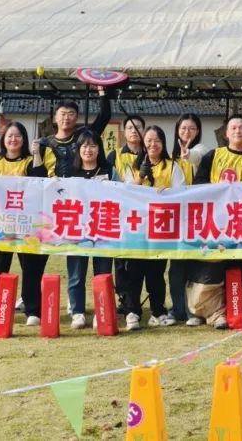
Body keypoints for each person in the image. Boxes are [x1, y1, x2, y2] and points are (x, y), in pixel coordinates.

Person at [188, 115, 242, 328]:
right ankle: (215, 313)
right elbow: (199, 186)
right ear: (226, 133)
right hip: (217, 224)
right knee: (211, 268)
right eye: (233, 127)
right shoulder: (212, 156)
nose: (237, 131)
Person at [0, 122, 48, 327]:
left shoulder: (29, 160)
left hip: (27, 224)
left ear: (24, 139)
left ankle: (33, 309)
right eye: (9, 136)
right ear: (3, 139)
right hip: (1, 224)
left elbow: (41, 181)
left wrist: (37, 154)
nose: (13, 140)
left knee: (31, 268)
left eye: (18, 136)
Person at [118, 125, 183, 330]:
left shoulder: (172, 166)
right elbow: (126, 194)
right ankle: (132, 311)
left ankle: (158, 311)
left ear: (163, 143)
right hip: (137, 229)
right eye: (149, 140)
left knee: (156, 273)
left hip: (161, 229)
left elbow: (182, 194)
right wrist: (140, 178)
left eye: (157, 140)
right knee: (134, 272)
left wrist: (168, 193)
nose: (153, 144)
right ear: (143, 143)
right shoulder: (133, 167)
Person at [60, 131, 114, 329]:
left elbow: (122, 194)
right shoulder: (69, 172)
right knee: (76, 275)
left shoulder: (109, 170)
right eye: (84, 146)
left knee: (102, 273)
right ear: (78, 149)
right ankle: (78, 313)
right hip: (76, 231)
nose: (88, 150)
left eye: (92, 146)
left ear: (99, 149)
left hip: (103, 229)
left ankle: (102, 312)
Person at [109, 114, 147, 326]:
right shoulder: (114, 155)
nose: (134, 131)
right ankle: (125, 301)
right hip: (120, 217)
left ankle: (133, 304)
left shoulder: (150, 154)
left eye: (138, 127)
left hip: (144, 218)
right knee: (120, 263)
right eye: (130, 128)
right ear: (124, 132)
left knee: (137, 263)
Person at [170, 113, 203, 325]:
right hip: (176, 220)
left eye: (191, 128)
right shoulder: (169, 158)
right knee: (176, 268)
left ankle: (194, 311)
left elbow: (195, 156)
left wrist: (188, 154)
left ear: (198, 131)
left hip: (198, 218)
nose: (187, 132)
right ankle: (177, 309)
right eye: (183, 128)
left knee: (195, 267)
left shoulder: (203, 151)